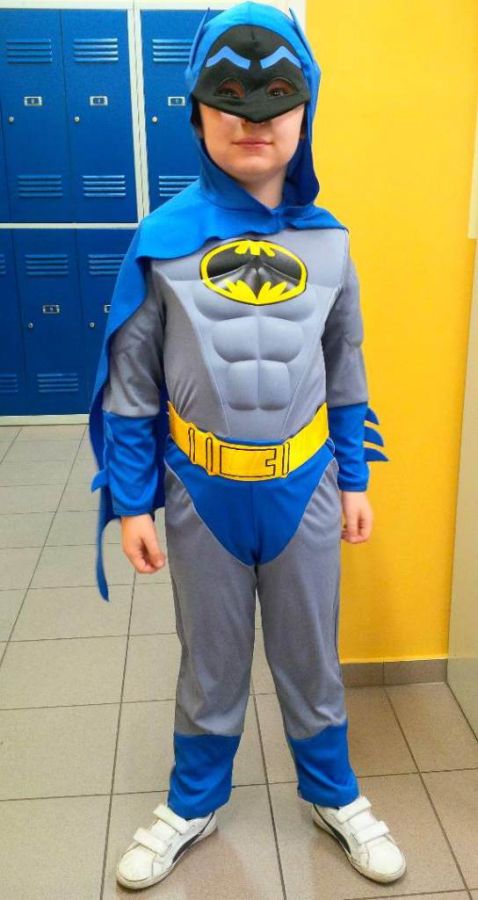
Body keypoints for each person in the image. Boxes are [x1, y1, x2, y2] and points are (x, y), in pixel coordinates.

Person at [88, 1, 405, 891]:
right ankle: (193, 802)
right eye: (228, 95)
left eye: (278, 97)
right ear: (197, 111)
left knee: (312, 653)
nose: (254, 117)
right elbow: (131, 387)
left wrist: (353, 479)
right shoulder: (161, 242)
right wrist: (133, 502)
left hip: (305, 486)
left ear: (306, 110)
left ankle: (333, 792)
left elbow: (345, 368)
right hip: (202, 492)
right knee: (211, 656)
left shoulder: (330, 242)